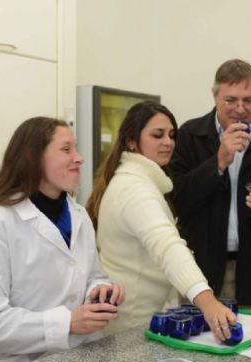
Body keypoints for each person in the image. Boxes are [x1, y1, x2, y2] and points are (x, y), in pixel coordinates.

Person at [0, 117, 125, 362]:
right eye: (66, 149)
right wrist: (68, 323)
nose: (79, 158)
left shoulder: (78, 216)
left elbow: (93, 275)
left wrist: (99, 292)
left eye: (76, 149)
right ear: (34, 158)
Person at [86, 101, 237, 340]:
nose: (168, 142)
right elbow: (166, 245)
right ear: (131, 141)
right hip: (131, 325)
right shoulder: (134, 188)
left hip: (137, 319)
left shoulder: (138, 181)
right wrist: (208, 302)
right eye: (157, 135)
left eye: (171, 135)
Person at [169, 59, 251, 314]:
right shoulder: (190, 134)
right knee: (200, 349)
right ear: (215, 95)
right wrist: (218, 163)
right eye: (231, 100)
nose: (240, 109)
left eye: (248, 100)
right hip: (200, 273)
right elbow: (177, 197)